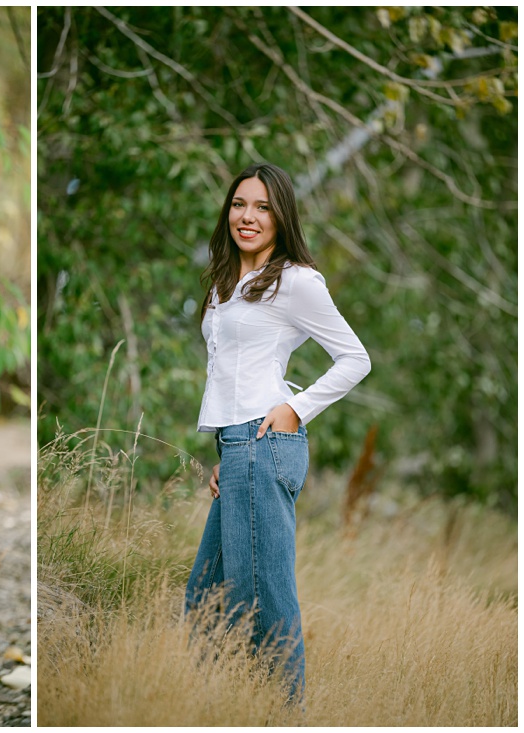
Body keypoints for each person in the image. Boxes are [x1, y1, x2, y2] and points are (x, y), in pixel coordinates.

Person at [183, 162, 371, 703]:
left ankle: (283, 715)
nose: (248, 216)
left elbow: (354, 359)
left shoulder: (296, 280)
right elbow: (235, 371)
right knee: (205, 600)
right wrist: (228, 448)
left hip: (265, 444)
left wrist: (295, 408)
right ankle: (216, 708)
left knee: (263, 601)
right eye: (240, 204)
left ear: (281, 216)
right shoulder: (228, 281)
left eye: (263, 207)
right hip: (238, 447)